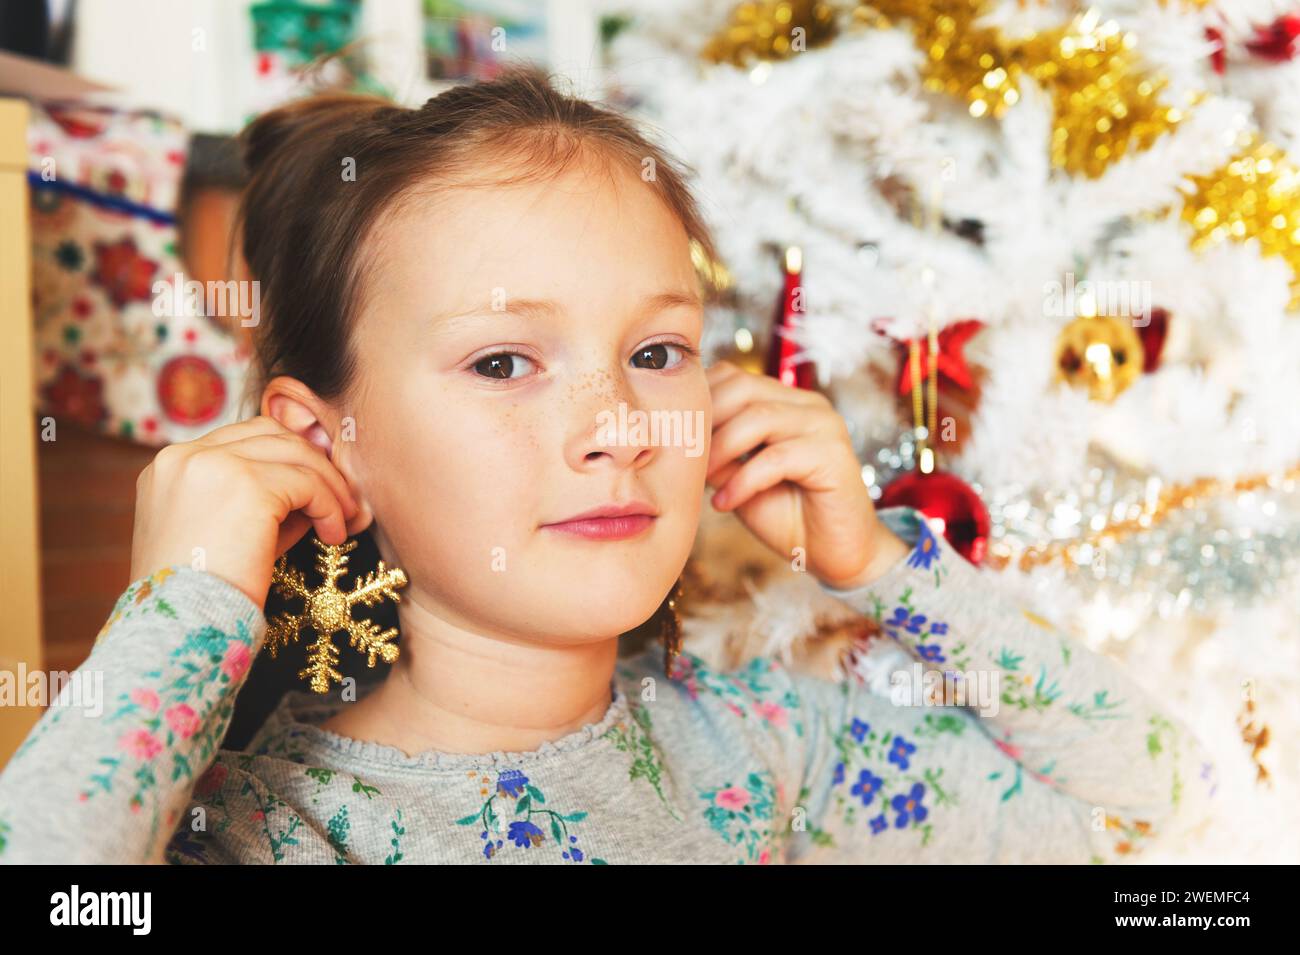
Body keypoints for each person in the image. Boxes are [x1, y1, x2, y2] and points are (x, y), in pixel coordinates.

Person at [0, 66, 1216, 864]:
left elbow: (1135, 794)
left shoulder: (759, 757)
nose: (619, 423)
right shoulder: (269, 833)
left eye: (655, 350)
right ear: (327, 445)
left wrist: (881, 566)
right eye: (502, 362)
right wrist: (188, 608)